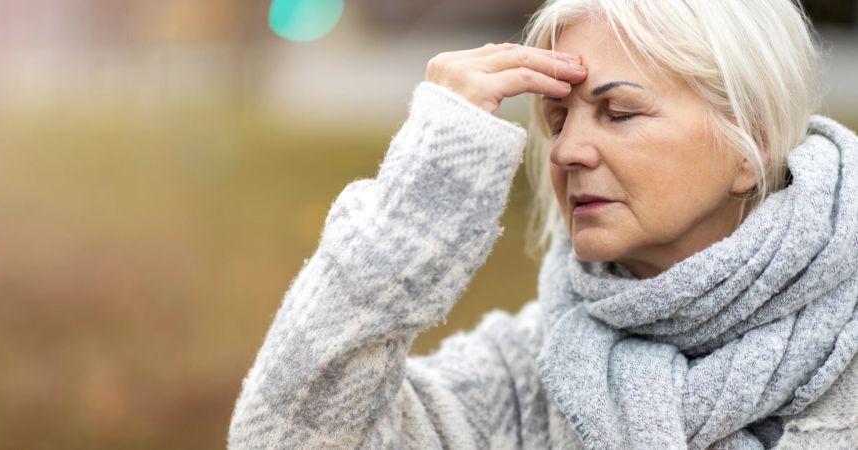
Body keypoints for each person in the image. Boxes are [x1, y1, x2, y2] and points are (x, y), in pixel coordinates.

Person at [228, 0, 858, 448]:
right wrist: (420, 194)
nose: (565, 151)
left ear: (751, 137)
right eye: (557, 120)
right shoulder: (524, 380)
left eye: (617, 112)